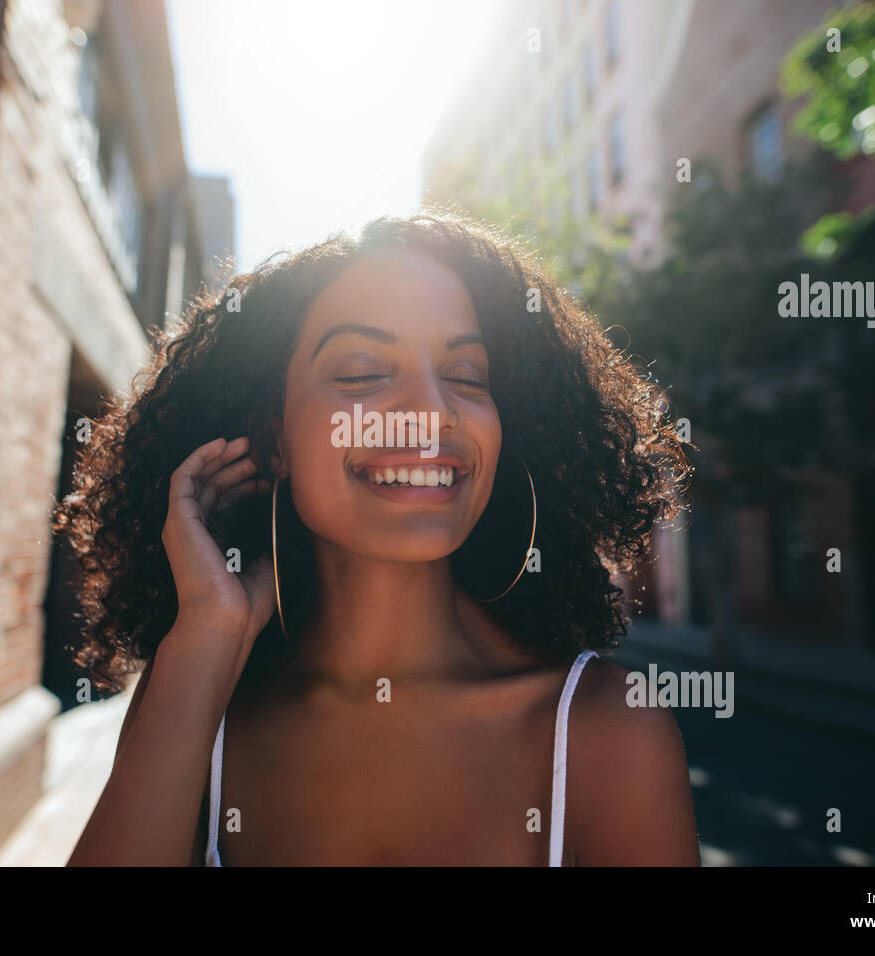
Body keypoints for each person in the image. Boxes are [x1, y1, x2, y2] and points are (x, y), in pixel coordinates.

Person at [61, 210, 700, 865]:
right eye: (364, 371)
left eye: (466, 376)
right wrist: (208, 634)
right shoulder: (196, 698)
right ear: (275, 440)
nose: (430, 411)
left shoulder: (607, 731)